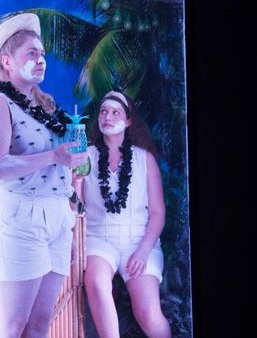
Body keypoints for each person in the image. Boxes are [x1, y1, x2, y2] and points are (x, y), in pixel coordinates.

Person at [0, 13, 88, 338]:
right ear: (7, 61)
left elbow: (63, 170)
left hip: (57, 217)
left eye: (42, 54)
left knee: (39, 324)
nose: (40, 60)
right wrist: (54, 156)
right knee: (12, 325)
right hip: (18, 217)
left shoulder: (47, 106)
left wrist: (68, 219)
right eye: (31, 54)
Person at [79, 90, 171, 338]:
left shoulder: (144, 159)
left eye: (115, 112)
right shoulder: (85, 156)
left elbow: (158, 213)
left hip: (139, 241)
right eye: (103, 112)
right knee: (97, 283)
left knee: (148, 314)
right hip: (98, 239)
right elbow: (77, 208)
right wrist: (75, 181)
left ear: (128, 121)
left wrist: (143, 251)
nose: (107, 117)